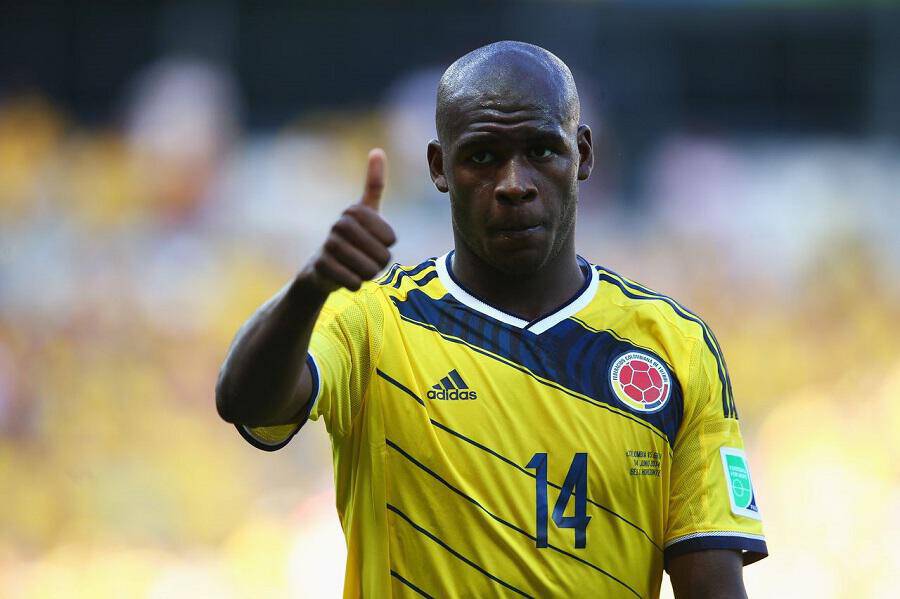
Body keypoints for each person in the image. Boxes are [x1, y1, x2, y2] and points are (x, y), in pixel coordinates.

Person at [216, 41, 767, 599]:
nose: (513, 183)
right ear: (439, 168)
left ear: (584, 154)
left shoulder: (673, 347)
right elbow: (249, 403)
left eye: (542, 151)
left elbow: (714, 587)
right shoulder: (372, 320)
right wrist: (309, 287)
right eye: (482, 156)